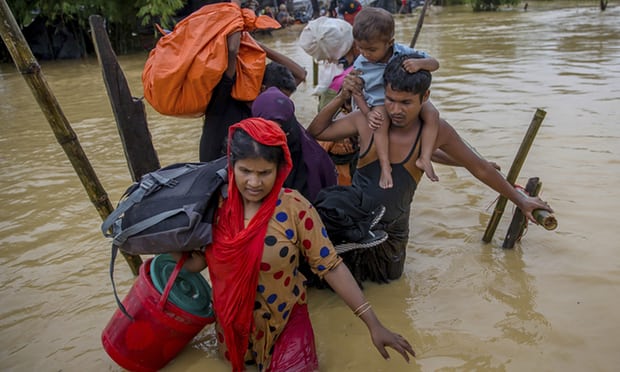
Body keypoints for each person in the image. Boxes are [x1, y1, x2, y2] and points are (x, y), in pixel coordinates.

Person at [173, 118, 415, 371]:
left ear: (280, 168)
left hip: (284, 324)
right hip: (233, 329)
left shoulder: (294, 208)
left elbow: (330, 266)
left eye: (264, 173)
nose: (254, 183)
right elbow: (199, 261)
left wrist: (373, 324)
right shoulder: (215, 207)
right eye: (245, 171)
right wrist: (167, 249)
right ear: (232, 166)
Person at [306, 54, 554, 283]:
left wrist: (520, 200)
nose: (396, 110)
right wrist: (341, 97)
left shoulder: (435, 131)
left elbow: (480, 169)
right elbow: (316, 133)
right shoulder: (369, 119)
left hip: (394, 234)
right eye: (390, 100)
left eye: (406, 103)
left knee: (391, 290)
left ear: (425, 98)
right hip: (353, 227)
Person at [350, 7, 441, 189]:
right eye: (360, 48)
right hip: (378, 103)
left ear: (390, 43)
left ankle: (425, 158)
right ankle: (385, 166)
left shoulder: (405, 53)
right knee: (380, 122)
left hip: (403, 99)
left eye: (371, 49)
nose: (365, 53)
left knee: (432, 114)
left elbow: (435, 64)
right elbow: (357, 92)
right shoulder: (360, 63)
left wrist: (419, 64)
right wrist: (367, 113)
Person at [199, 28, 306, 162]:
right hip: (214, 175)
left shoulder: (267, 112)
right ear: (262, 89)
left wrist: (259, 46)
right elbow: (232, 51)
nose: (278, 104)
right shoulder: (224, 101)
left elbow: (301, 74)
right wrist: (249, 41)